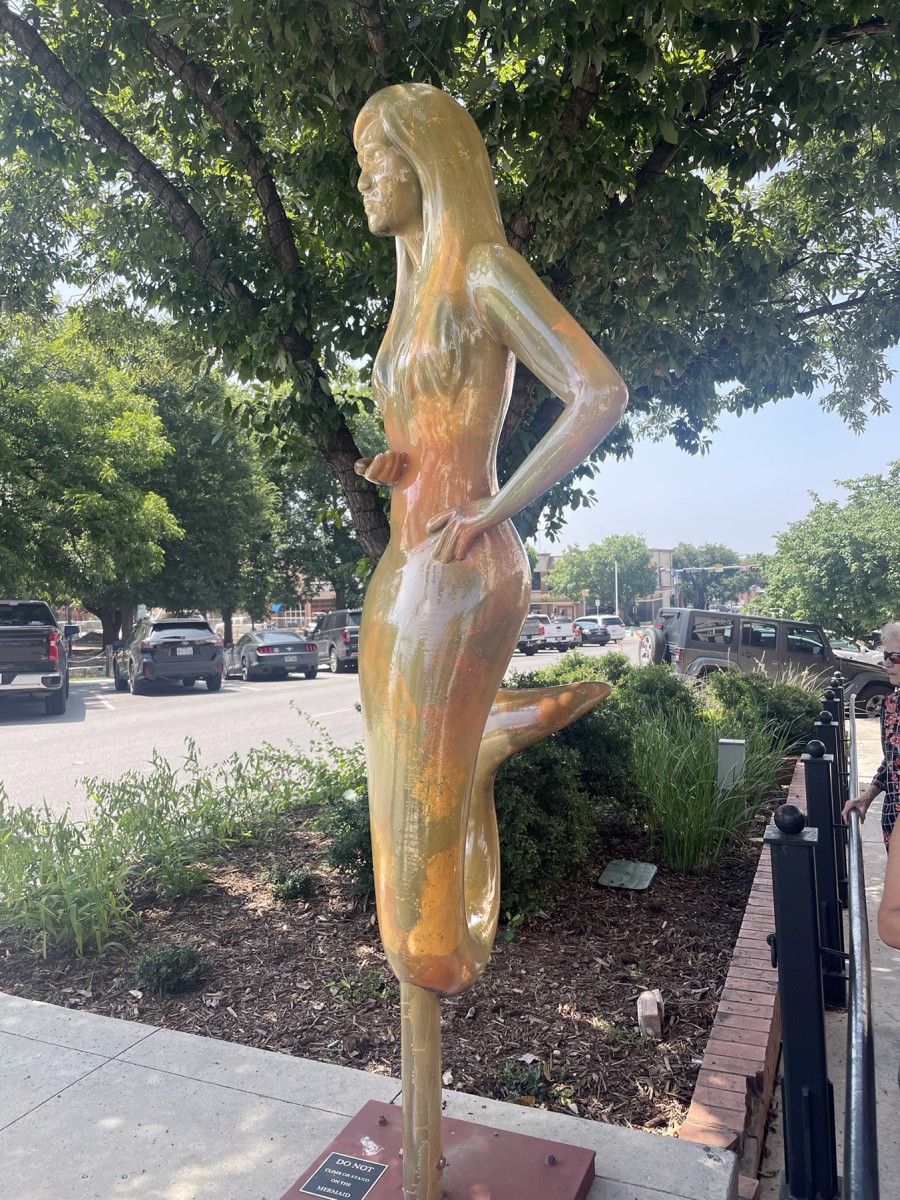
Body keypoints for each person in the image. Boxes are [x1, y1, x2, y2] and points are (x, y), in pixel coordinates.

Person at [841, 619, 900, 849]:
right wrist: (865, 798)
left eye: (895, 657)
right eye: (885, 655)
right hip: (893, 822)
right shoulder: (890, 705)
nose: (887, 663)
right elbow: (891, 763)